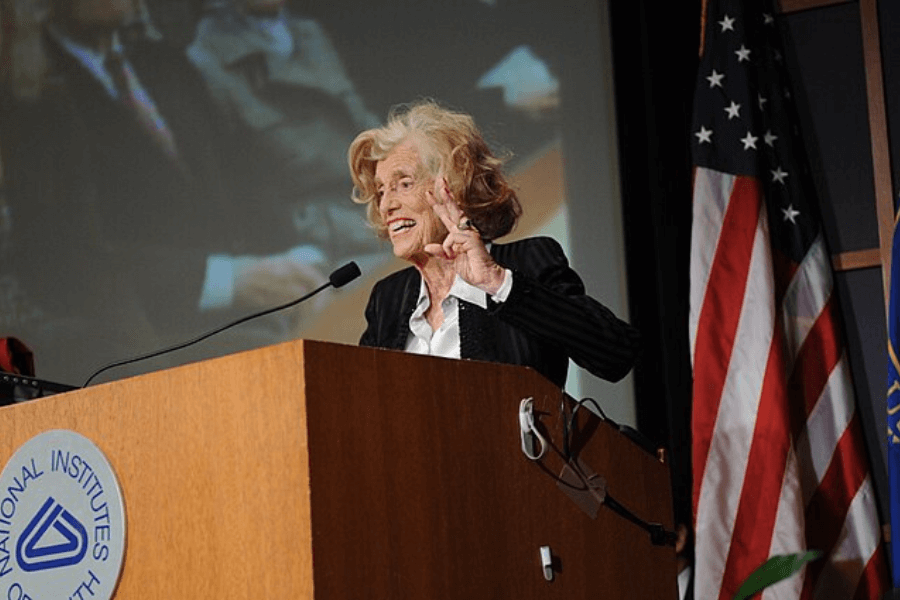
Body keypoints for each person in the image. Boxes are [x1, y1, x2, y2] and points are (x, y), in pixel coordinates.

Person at [0, 0, 325, 383]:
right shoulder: (32, 96)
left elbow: (242, 172)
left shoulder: (164, 64)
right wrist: (228, 280)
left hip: (269, 299)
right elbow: (67, 258)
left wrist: (299, 259)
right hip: (149, 338)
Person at [348, 100, 639, 388]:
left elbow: (616, 354)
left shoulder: (526, 261)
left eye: (405, 184)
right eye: (381, 191)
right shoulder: (389, 298)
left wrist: (498, 282)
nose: (387, 205)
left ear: (454, 185)